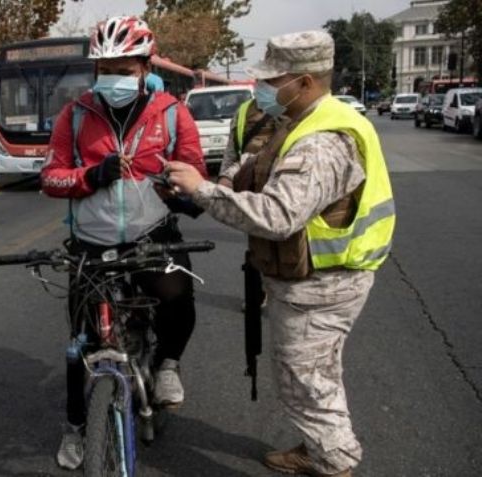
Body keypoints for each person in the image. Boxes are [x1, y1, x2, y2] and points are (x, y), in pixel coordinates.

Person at [165, 31, 395, 477]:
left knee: (304, 381)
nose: (264, 90)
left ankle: (333, 460)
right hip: (317, 278)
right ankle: (323, 448)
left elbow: (277, 214)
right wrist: (221, 185)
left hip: (323, 283)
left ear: (305, 82)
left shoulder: (323, 140)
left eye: (274, 80)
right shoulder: (303, 119)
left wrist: (202, 189)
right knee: (317, 374)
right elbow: (253, 170)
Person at [40, 16, 208, 470]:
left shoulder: (171, 112)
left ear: (144, 65)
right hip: (90, 244)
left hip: (151, 236)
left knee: (178, 295)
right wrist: (88, 176)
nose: (112, 78)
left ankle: (168, 364)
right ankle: (76, 427)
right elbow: (51, 176)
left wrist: (183, 190)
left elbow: (195, 173)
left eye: (123, 68)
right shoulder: (75, 116)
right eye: (104, 69)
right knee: (81, 342)